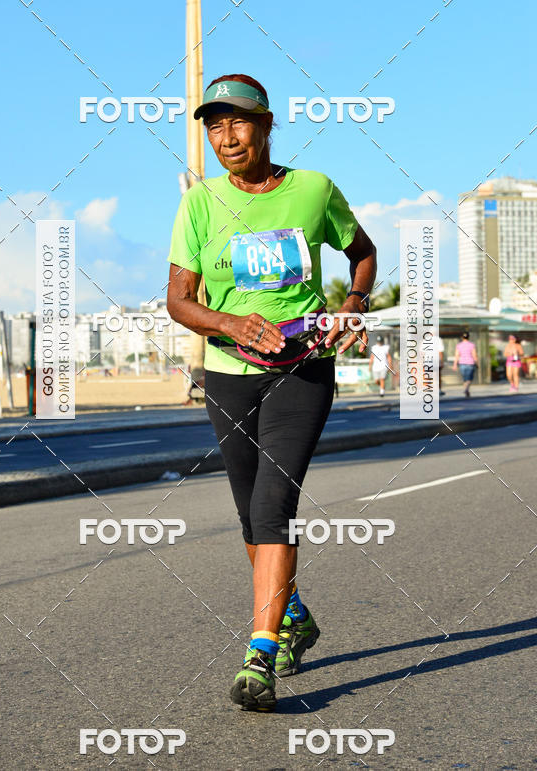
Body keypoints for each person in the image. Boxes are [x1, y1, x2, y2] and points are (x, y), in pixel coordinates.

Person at [167, 73, 377, 712]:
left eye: (238, 123)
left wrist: (354, 301)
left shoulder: (313, 190)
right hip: (228, 373)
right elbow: (178, 300)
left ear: (266, 124)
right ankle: (295, 614)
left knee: (273, 504)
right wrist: (229, 323)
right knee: (249, 518)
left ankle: (259, 654)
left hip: (301, 368)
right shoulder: (199, 203)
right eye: (214, 126)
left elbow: (361, 251)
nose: (226, 138)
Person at [453, 331, 478, 397]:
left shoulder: (459, 345)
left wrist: (455, 364)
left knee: (465, 378)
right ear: (468, 337)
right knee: (469, 378)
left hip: (462, 363)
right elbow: (474, 355)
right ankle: (467, 389)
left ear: (462, 337)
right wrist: (477, 363)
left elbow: (457, 355)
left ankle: (466, 389)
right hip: (470, 363)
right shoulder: (472, 345)